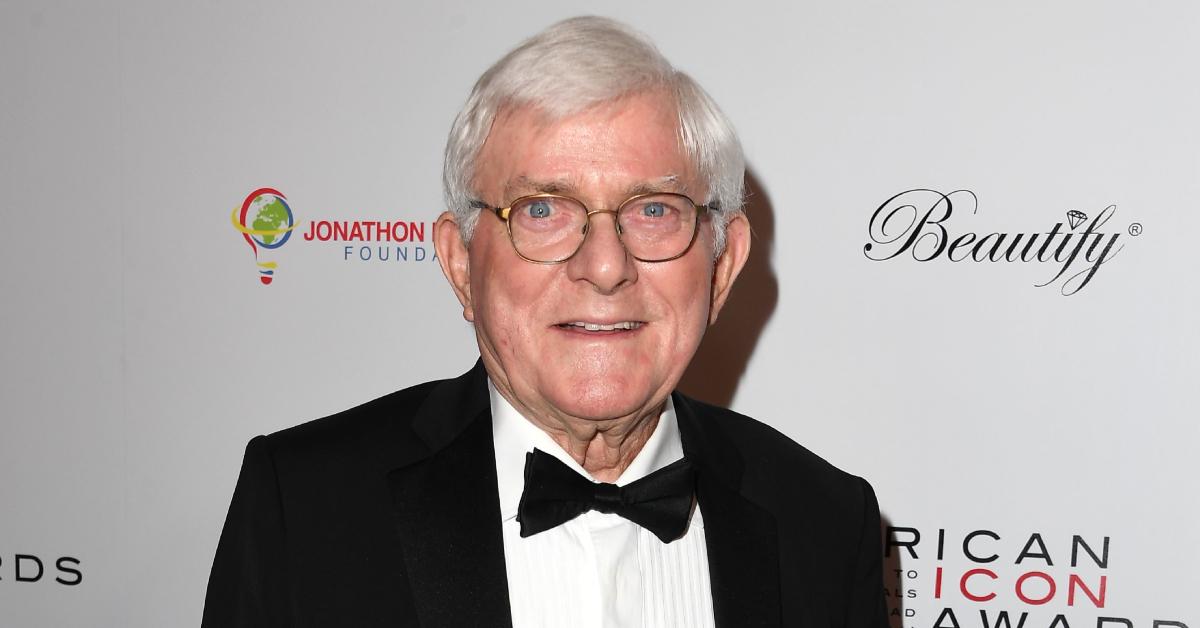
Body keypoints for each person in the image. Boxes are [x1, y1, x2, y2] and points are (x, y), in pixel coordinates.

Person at [202, 16, 887, 628]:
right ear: (460, 263)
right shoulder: (306, 507)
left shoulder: (824, 522)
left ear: (724, 262)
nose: (605, 266)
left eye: (653, 210)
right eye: (541, 209)